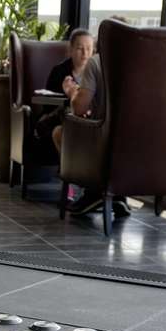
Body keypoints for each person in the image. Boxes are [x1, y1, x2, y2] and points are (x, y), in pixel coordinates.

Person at [55, 21, 131, 218]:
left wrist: (72, 91)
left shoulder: (96, 62)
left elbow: (80, 108)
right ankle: (117, 194)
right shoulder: (144, 63)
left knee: (60, 133)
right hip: (137, 143)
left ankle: (91, 191)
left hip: (100, 139)